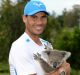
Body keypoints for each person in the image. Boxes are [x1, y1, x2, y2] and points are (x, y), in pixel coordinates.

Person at [9, 0, 70, 75]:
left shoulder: (46, 44)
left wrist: (62, 70)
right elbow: (64, 69)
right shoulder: (19, 46)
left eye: (43, 17)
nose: (39, 22)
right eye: (34, 17)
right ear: (24, 18)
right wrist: (61, 72)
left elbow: (66, 67)